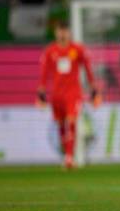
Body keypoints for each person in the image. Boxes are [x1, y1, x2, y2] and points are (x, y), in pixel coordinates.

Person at [37, 21, 100, 169]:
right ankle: (67, 155)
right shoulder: (50, 51)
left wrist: (93, 88)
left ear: (69, 32)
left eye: (65, 31)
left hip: (73, 93)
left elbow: (88, 69)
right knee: (60, 126)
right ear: (56, 32)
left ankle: (70, 158)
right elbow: (44, 73)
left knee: (71, 121)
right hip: (56, 94)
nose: (62, 34)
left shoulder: (77, 49)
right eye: (60, 31)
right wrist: (41, 91)